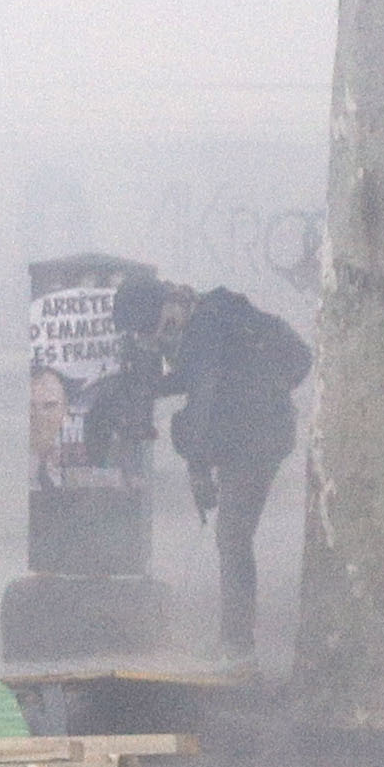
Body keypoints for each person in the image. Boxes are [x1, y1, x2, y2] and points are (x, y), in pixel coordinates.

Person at [163, 274, 314, 657]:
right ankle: (235, 637)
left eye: (165, 324)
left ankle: (236, 641)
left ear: (176, 304)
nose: (166, 334)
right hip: (258, 436)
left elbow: (202, 408)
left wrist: (198, 466)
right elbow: (299, 359)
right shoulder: (223, 315)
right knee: (233, 535)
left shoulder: (205, 331)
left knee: (232, 535)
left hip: (254, 441)